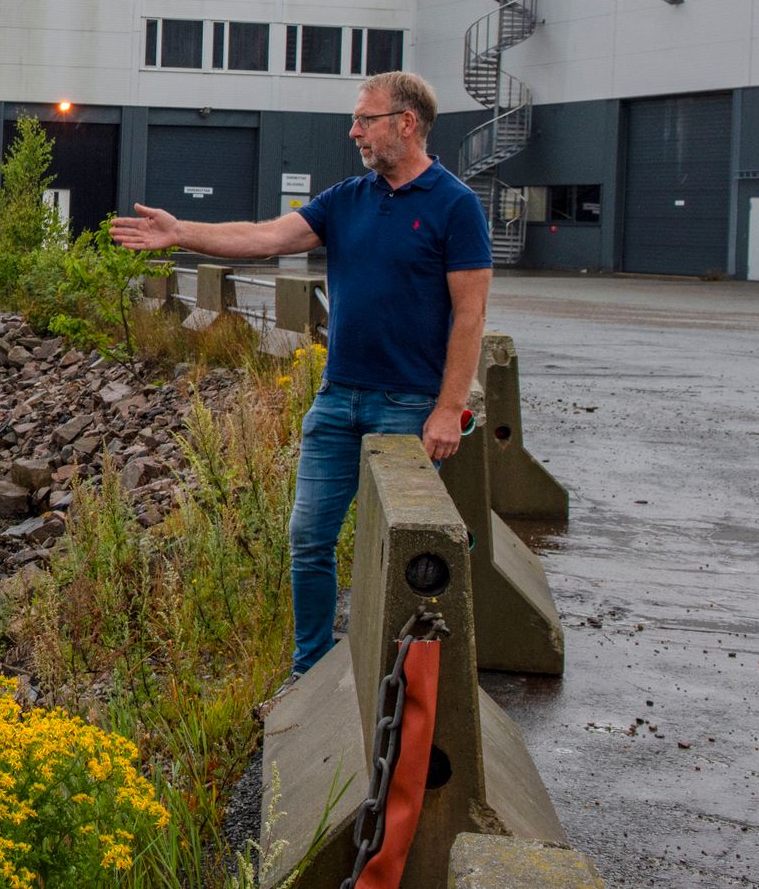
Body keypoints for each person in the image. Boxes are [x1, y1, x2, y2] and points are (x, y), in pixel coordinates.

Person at [110, 71, 492, 677]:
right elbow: (265, 237)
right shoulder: (348, 199)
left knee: (394, 548)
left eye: (366, 119)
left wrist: (448, 410)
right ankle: (310, 668)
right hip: (338, 401)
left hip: (407, 407)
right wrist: (182, 232)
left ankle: (390, 670)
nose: (355, 130)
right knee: (309, 540)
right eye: (356, 119)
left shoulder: (455, 206)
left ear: (406, 122)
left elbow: (470, 316)